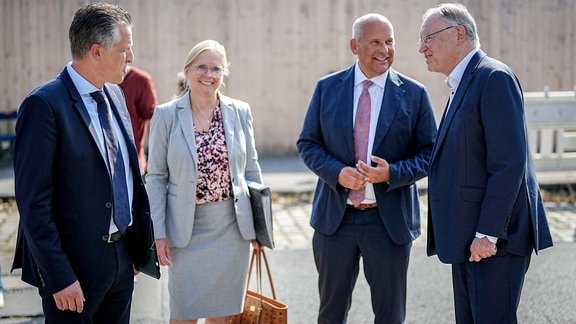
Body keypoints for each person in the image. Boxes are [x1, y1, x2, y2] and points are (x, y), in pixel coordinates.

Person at [11, 3, 155, 323]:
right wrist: (59, 276)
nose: (130, 57)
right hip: (73, 270)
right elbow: (34, 203)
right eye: (124, 49)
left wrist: (134, 245)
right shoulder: (44, 105)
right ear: (97, 52)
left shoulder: (115, 94)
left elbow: (127, 173)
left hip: (122, 259)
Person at [297, 13, 437, 323]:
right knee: (330, 313)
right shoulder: (327, 88)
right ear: (354, 45)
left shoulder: (414, 95)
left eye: (390, 42)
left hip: (387, 224)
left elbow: (430, 153)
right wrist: (337, 173)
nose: (384, 49)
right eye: (375, 42)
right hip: (336, 220)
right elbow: (308, 143)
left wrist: (392, 173)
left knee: (390, 315)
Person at [418, 3, 554, 323]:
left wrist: (488, 233)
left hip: (494, 242)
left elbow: (508, 163)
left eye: (428, 38)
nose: (421, 48)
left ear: (459, 34)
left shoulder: (493, 77)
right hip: (468, 238)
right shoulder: (462, 82)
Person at [146, 39, 263, 324]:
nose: (208, 75)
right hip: (185, 229)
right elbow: (156, 177)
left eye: (215, 68)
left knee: (222, 317)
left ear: (224, 74)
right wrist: (158, 232)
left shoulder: (240, 111)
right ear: (187, 71)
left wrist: (261, 227)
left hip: (232, 228)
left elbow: (251, 171)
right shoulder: (166, 115)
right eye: (201, 67)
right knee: (183, 314)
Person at [119, 65, 158, 173]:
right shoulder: (98, 80)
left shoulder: (140, 80)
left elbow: (154, 120)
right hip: (103, 160)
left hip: (132, 159)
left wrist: (154, 160)